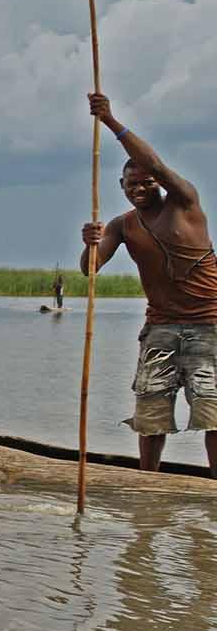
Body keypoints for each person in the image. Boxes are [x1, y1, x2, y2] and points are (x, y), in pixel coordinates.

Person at [81, 93, 217, 473]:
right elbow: (91, 268)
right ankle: (148, 484)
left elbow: (153, 161)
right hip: (159, 328)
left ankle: (214, 488)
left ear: (158, 182)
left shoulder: (183, 201)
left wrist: (109, 120)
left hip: (208, 325)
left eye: (145, 182)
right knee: (151, 411)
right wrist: (89, 245)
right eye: (130, 184)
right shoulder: (122, 225)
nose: (138, 188)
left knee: (213, 411)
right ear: (121, 186)